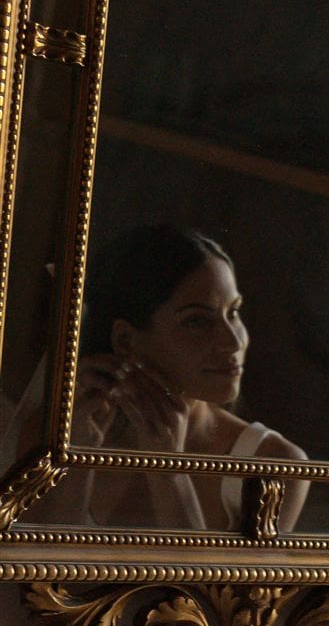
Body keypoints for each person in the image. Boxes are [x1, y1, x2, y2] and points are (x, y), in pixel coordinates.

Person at [39, 224, 308, 528]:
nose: (234, 342)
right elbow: (42, 569)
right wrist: (77, 459)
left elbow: (204, 578)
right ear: (126, 340)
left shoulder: (273, 463)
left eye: (233, 312)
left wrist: (169, 470)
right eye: (197, 321)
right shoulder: (53, 433)